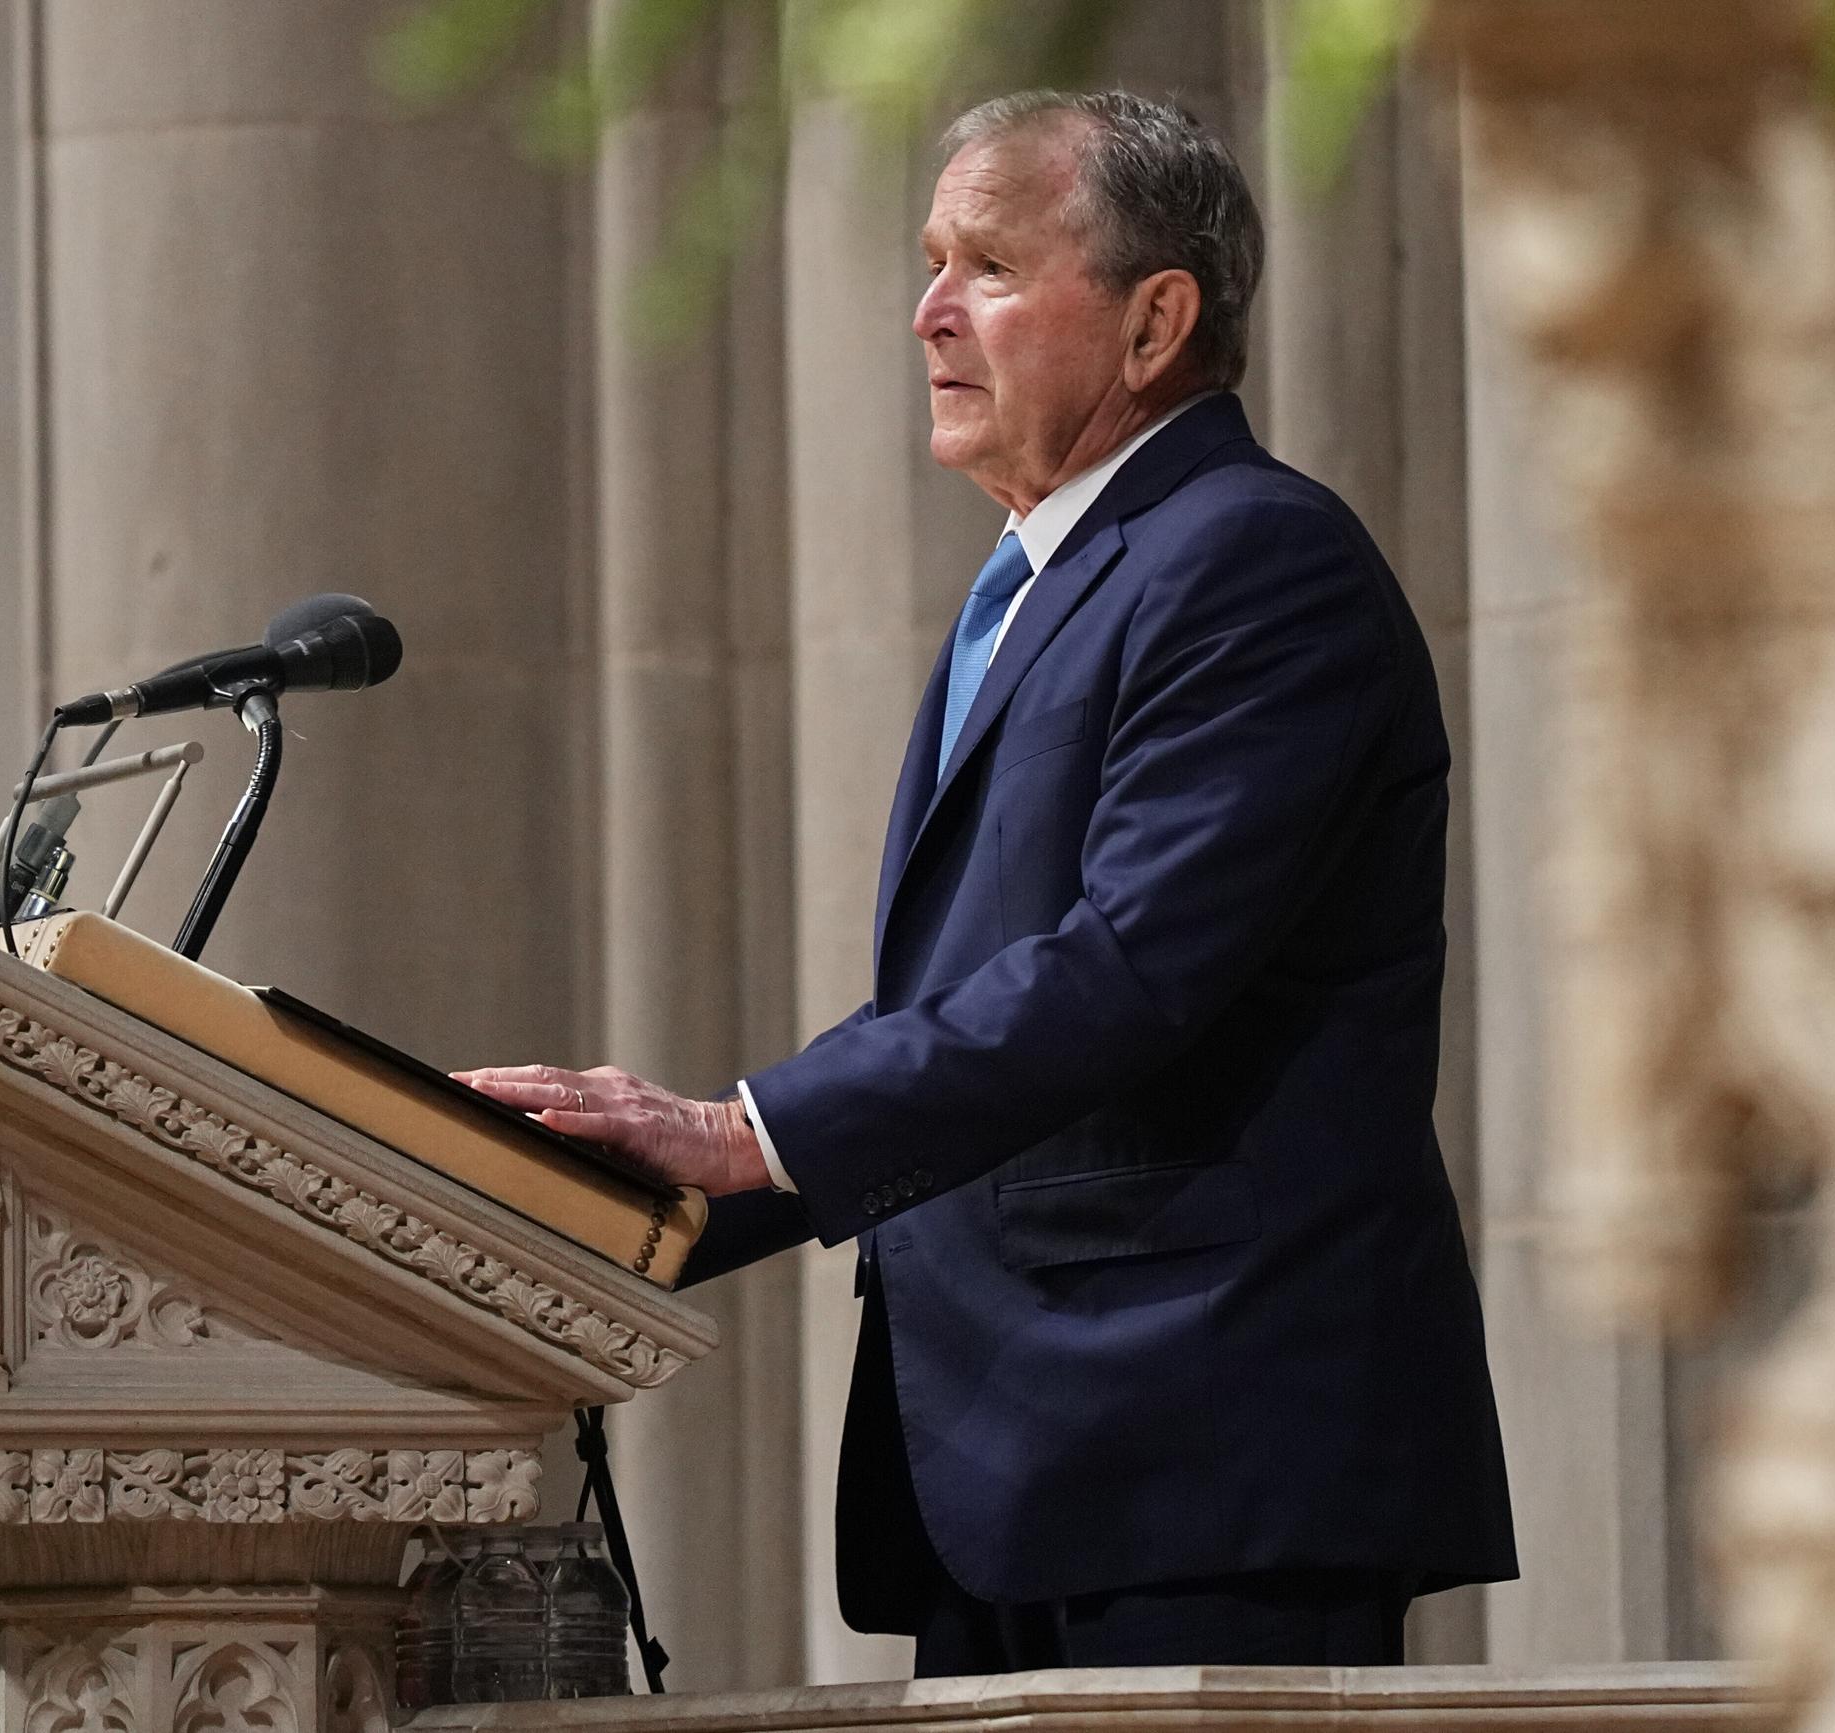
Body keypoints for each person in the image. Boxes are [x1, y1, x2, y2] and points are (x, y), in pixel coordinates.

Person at [458, 88, 1515, 1673]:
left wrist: (743, 1134)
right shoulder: (1041, 581)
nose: (928, 310)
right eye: (931, 260)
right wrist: (626, 1203)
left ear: (1157, 319)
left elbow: (1124, 973)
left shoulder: (1253, 559)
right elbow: (969, 1008)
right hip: (1030, 1457)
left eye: (990, 268)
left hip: (1199, 1450)